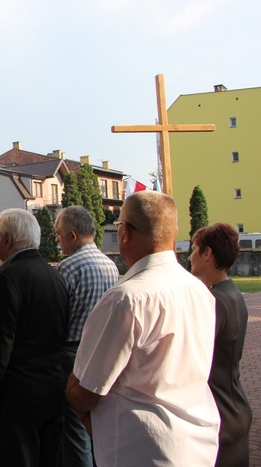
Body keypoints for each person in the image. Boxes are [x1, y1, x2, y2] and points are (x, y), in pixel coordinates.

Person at [66, 191, 220, 466]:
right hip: (197, 443)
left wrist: (78, 403)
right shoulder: (200, 290)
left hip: (142, 449)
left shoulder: (126, 299)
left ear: (124, 233)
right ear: (173, 232)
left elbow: (84, 391)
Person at [0, 209, 68, 466]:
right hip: (52, 393)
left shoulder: (5, 279)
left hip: (15, 402)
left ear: (8, 239)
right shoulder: (55, 276)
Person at [54, 205, 119, 467]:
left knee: (74, 428)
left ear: (72, 235)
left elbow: (58, 317)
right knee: (95, 423)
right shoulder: (110, 265)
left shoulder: (68, 267)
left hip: (72, 354)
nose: (57, 241)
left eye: (58, 235)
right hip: (103, 351)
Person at [190, 223, 252, 466]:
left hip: (219, 414)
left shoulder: (213, 301)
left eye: (195, 249)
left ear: (207, 254)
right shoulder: (232, 293)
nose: (191, 256)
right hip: (234, 405)